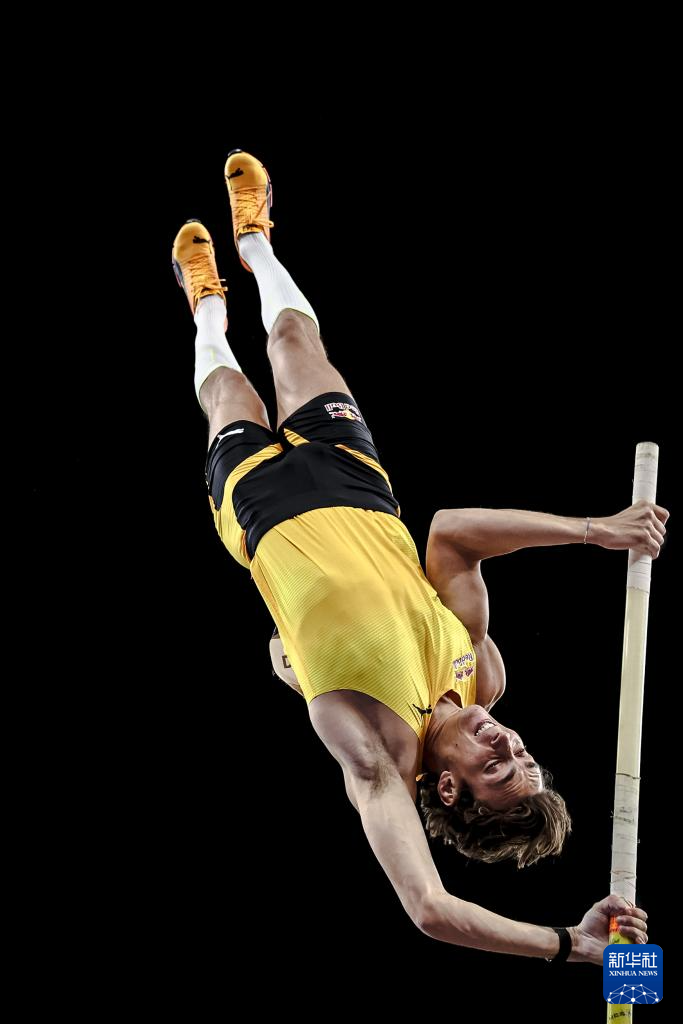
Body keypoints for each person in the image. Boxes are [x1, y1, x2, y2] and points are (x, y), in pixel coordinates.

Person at [171, 148, 660, 964]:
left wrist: (573, 947)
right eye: (523, 753)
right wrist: (594, 531)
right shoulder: (479, 671)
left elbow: (430, 909)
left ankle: (207, 309)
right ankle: (254, 240)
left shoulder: (376, 749)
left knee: (229, 391)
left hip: (260, 512)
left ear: (448, 787)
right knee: (292, 336)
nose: (506, 742)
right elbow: (452, 533)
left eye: (496, 767)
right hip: (357, 483)